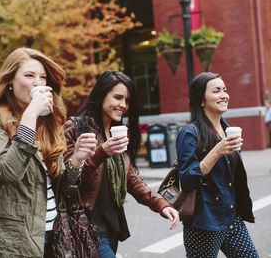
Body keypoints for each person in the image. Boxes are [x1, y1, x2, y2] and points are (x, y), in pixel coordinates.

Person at [0, 47, 97, 258]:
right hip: (16, 239)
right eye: (29, 76)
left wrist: (77, 160)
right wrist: (31, 115)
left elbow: (64, 188)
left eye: (43, 77)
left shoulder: (47, 122)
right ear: (10, 80)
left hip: (55, 234)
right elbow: (8, 170)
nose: (38, 83)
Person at [63, 70, 179, 257]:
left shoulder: (117, 132)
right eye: (118, 97)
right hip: (86, 226)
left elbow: (132, 178)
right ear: (101, 95)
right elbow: (65, 177)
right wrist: (102, 152)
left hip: (111, 228)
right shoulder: (76, 127)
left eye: (127, 100)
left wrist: (162, 205)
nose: (123, 105)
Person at [176, 72, 258, 258]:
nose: (224, 95)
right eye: (216, 91)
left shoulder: (228, 130)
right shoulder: (190, 133)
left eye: (225, 90)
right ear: (201, 100)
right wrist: (216, 152)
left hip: (231, 217)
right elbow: (187, 180)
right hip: (204, 221)